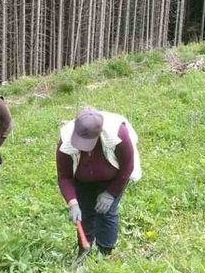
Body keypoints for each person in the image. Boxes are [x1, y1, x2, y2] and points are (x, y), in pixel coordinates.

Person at [56, 106, 142, 257]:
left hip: (113, 178)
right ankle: (84, 250)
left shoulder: (118, 133)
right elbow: (64, 176)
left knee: (106, 212)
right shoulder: (66, 140)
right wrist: (73, 203)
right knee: (85, 212)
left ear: (99, 134)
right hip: (82, 179)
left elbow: (127, 166)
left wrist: (111, 193)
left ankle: (105, 253)